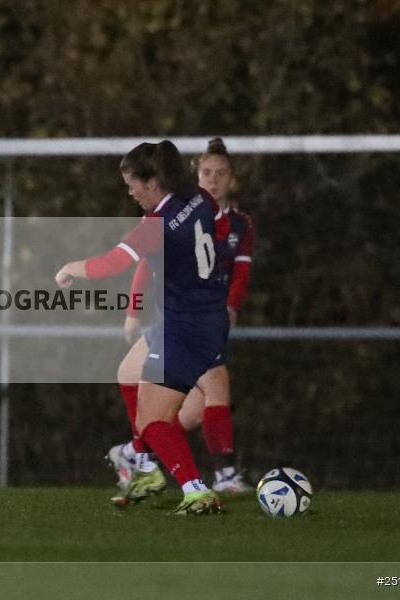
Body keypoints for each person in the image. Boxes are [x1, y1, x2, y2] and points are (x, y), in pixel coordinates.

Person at [55, 140, 228, 515]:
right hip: (204, 315)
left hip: (184, 329)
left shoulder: (155, 225)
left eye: (132, 183)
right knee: (128, 373)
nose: (129, 192)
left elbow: (110, 264)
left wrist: (70, 268)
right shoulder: (198, 197)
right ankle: (147, 469)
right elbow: (217, 224)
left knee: (151, 421)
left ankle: (196, 491)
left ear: (152, 182)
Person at [106, 138, 255, 495]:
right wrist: (133, 309)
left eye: (221, 173)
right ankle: (219, 476)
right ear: (195, 175)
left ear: (232, 179)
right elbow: (147, 262)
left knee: (190, 411)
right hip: (185, 320)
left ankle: (137, 454)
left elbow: (239, 272)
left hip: (203, 316)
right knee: (213, 384)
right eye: (207, 172)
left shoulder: (236, 223)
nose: (213, 179)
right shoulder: (182, 210)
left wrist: (231, 304)